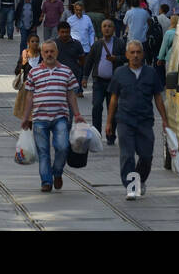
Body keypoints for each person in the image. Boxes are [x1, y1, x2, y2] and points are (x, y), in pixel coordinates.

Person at [105, 40, 166, 200]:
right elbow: (113, 99)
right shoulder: (119, 73)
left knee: (146, 155)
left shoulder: (151, 73)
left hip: (145, 121)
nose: (135, 55)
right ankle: (131, 187)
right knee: (127, 155)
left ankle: (140, 180)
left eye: (138, 52)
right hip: (125, 121)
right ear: (126, 55)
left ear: (143, 54)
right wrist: (109, 122)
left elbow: (158, 97)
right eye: (132, 52)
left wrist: (165, 120)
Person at [21, 39, 83, 192]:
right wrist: (26, 117)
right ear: (42, 53)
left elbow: (71, 95)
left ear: (57, 53)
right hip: (39, 119)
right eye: (46, 52)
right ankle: (46, 181)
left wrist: (77, 114)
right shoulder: (34, 72)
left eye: (52, 51)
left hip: (60, 117)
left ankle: (57, 172)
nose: (49, 54)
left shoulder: (66, 71)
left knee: (62, 147)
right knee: (43, 152)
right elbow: (29, 96)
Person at [84, 20, 127, 144]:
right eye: (104, 26)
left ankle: (111, 136)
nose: (107, 28)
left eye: (109, 26)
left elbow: (126, 57)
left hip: (114, 83)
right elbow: (89, 61)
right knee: (96, 106)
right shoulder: (97, 44)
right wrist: (85, 77)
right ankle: (96, 135)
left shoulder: (119, 43)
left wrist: (116, 58)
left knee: (112, 109)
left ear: (114, 29)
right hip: (98, 82)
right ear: (101, 29)